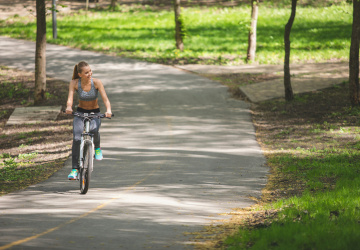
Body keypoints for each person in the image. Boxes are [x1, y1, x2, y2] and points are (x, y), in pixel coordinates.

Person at [65, 61, 112, 180]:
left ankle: (97, 148)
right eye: (86, 72)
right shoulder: (74, 83)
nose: (89, 74)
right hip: (80, 112)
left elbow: (105, 99)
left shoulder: (96, 82)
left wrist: (108, 110)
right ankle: (75, 169)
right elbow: (70, 98)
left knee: (94, 129)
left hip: (94, 112)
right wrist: (69, 107)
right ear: (80, 74)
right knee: (76, 138)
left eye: (90, 71)